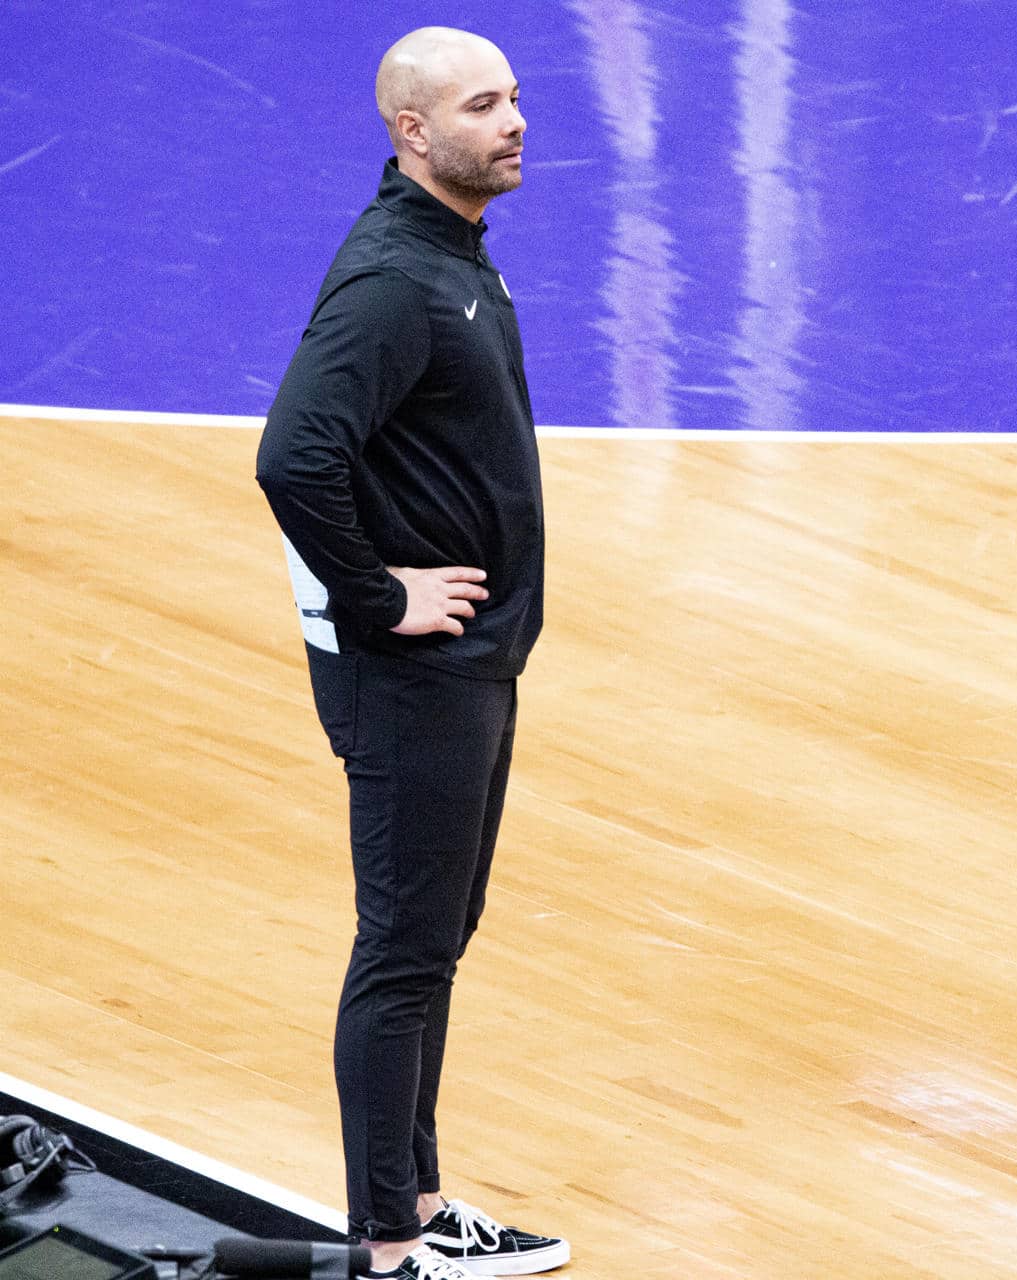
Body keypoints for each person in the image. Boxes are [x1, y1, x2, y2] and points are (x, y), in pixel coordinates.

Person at [256, 26, 567, 1280]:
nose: (514, 120)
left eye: (513, 96)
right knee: (401, 950)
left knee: (435, 935)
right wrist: (381, 594)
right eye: (482, 105)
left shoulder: (455, 256)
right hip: (416, 675)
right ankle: (389, 1243)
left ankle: (422, 1208)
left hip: (471, 666)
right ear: (413, 131)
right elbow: (292, 455)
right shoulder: (396, 278)